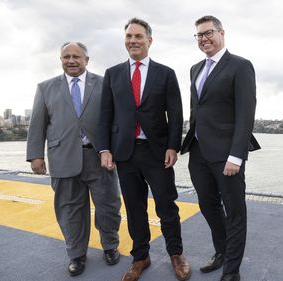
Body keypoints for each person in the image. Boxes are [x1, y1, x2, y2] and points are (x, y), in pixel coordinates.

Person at [97, 18, 191, 281]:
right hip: (125, 153)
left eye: (138, 36)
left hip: (157, 151)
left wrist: (173, 145)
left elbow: (176, 114)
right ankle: (140, 257)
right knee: (134, 208)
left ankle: (176, 254)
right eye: (128, 36)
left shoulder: (165, 73)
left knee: (166, 206)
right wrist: (104, 148)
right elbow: (105, 114)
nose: (133, 41)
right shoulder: (113, 74)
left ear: (149, 40)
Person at [26, 42, 122, 277]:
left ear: (87, 60)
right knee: (69, 210)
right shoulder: (45, 87)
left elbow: (116, 121)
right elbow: (37, 124)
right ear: (60, 60)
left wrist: (115, 151)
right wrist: (36, 156)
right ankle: (76, 254)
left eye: (76, 57)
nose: (71, 60)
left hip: (99, 157)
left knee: (108, 206)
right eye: (66, 56)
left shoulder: (104, 84)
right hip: (62, 158)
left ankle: (110, 246)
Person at [180, 15, 260, 281]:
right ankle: (222, 251)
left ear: (222, 33)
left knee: (235, 211)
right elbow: (197, 110)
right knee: (208, 205)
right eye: (199, 35)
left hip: (227, 154)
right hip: (199, 151)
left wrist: (236, 155)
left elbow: (246, 114)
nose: (204, 39)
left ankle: (232, 271)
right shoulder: (195, 69)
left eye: (208, 33)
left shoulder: (240, 66)